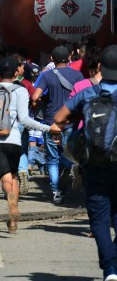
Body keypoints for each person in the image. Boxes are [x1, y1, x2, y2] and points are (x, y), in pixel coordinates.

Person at [0, 56, 59, 233]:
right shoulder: (20, 91)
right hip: (14, 140)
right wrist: (48, 128)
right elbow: (25, 120)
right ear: (16, 72)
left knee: (4, 177)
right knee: (13, 176)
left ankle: (9, 199)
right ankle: (13, 221)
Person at [54, 44, 117, 281]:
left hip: (94, 165)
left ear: (100, 67)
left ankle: (110, 270)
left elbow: (59, 118)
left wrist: (78, 119)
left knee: (99, 219)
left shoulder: (88, 93)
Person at [31, 45, 84, 203]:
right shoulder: (77, 75)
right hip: (70, 122)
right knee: (69, 154)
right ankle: (67, 173)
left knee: (52, 158)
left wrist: (40, 104)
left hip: (51, 122)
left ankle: (56, 192)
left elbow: (35, 97)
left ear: (52, 59)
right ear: (69, 58)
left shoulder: (46, 75)